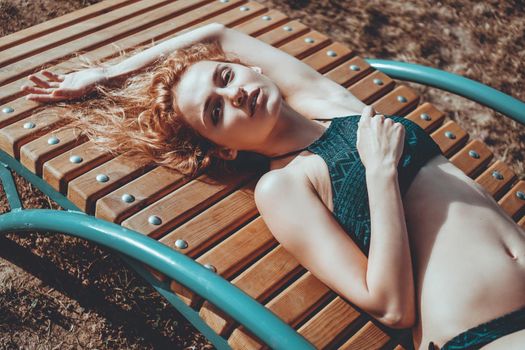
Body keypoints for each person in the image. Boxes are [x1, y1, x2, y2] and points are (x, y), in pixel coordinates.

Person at [22, 23, 525, 349]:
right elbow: (390, 304)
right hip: (480, 333)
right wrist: (379, 175)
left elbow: (218, 31)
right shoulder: (283, 186)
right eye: (216, 111)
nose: (234, 94)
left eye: (224, 77)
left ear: (251, 67)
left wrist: (107, 72)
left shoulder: (333, 103)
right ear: (222, 149)